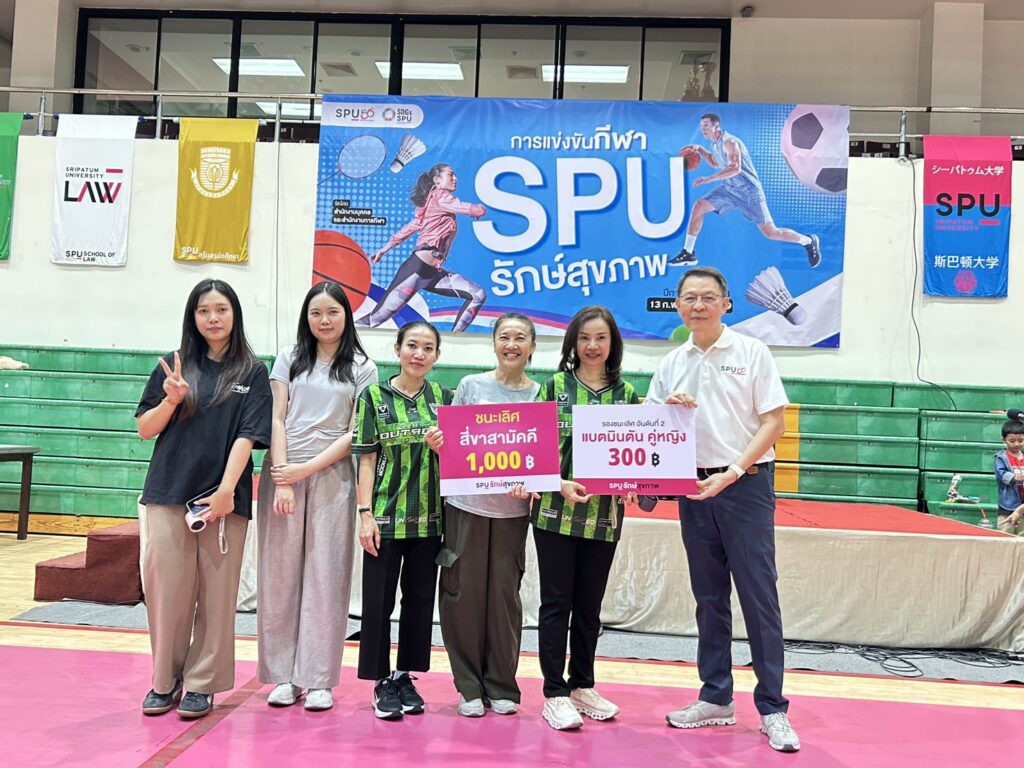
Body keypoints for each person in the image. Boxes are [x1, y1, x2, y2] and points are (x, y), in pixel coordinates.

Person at [645, 266, 799, 752]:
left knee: (758, 595)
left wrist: (733, 471)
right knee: (709, 597)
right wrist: (668, 410)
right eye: (689, 297)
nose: (698, 305)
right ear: (677, 305)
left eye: (708, 297)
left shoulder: (752, 352)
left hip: (744, 485)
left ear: (726, 304)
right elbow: (650, 427)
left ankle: (773, 707)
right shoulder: (672, 362)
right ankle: (715, 697)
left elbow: (774, 422)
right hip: (693, 488)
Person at [136, 279, 271, 720]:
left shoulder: (252, 371)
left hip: (225, 500)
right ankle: (165, 680)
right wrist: (171, 400)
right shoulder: (173, 366)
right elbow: (145, 429)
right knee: (167, 595)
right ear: (193, 317)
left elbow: (248, 436)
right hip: (168, 491)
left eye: (221, 309)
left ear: (235, 314)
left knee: (217, 596)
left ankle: (202, 683)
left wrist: (226, 491)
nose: (213, 318)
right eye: (204, 310)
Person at [257, 281, 378, 711]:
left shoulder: (363, 367)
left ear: (347, 316)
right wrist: (283, 477)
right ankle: (284, 676)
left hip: (332, 475)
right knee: (280, 575)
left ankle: (319, 677)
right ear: (306, 318)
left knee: (327, 575)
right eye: (316, 313)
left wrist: (305, 470)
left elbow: (355, 433)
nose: (324, 321)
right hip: (282, 470)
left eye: (332, 313)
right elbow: (276, 417)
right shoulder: (289, 357)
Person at [524, 305, 639, 731]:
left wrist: (633, 482)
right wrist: (557, 482)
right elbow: (533, 452)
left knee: (589, 606)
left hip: (604, 516)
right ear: (573, 342)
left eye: (600, 338)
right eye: (585, 338)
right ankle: (554, 692)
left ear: (613, 343)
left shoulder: (627, 394)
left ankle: (582, 685)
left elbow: (635, 455)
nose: (592, 346)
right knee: (557, 604)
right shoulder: (553, 386)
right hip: (555, 513)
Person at [429, 313, 540, 718]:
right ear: (494, 343)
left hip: (512, 512)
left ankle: (502, 684)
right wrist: (440, 443)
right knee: (462, 595)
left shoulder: (540, 395)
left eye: (520, 338)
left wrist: (533, 482)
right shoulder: (471, 386)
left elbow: (541, 457)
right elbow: (453, 445)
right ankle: (469, 686)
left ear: (532, 347)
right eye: (504, 337)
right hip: (466, 507)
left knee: (504, 598)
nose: (511, 345)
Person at [352, 321, 453, 719]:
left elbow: (460, 461)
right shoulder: (374, 396)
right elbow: (366, 459)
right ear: (397, 349)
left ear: (437, 356)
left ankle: (404, 675)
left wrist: (444, 448)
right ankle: (380, 682)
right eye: (412, 345)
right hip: (385, 519)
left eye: (428, 348)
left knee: (419, 601)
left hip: (429, 521)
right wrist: (365, 514)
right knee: (378, 602)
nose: (419, 354)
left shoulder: (445, 399)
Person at [671, 113, 822, 269]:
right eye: (701, 126)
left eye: (706, 125)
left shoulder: (730, 142)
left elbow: (735, 168)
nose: (703, 129)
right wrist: (701, 150)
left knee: (772, 233)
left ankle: (808, 241)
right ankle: (688, 252)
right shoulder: (715, 143)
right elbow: (715, 162)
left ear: (716, 126)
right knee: (699, 205)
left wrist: (709, 179)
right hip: (730, 189)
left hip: (749, 192)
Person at [358, 163, 487, 332]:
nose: (455, 178)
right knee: (374, 320)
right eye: (450, 174)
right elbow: (475, 210)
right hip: (416, 271)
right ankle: (343, 340)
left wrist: (384, 249)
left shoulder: (432, 204)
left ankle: (453, 340)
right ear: (437, 180)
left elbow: (412, 226)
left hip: (433, 274)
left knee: (478, 294)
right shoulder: (441, 196)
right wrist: (476, 209)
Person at [994, 412, 1024, 535]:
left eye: (1020, 440)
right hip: (1008, 503)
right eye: (1012, 441)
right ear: (1004, 440)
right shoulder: (1001, 457)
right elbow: (1000, 474)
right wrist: (1014, 477)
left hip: (1022, 503)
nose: (1016, 444)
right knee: (1005, 533)